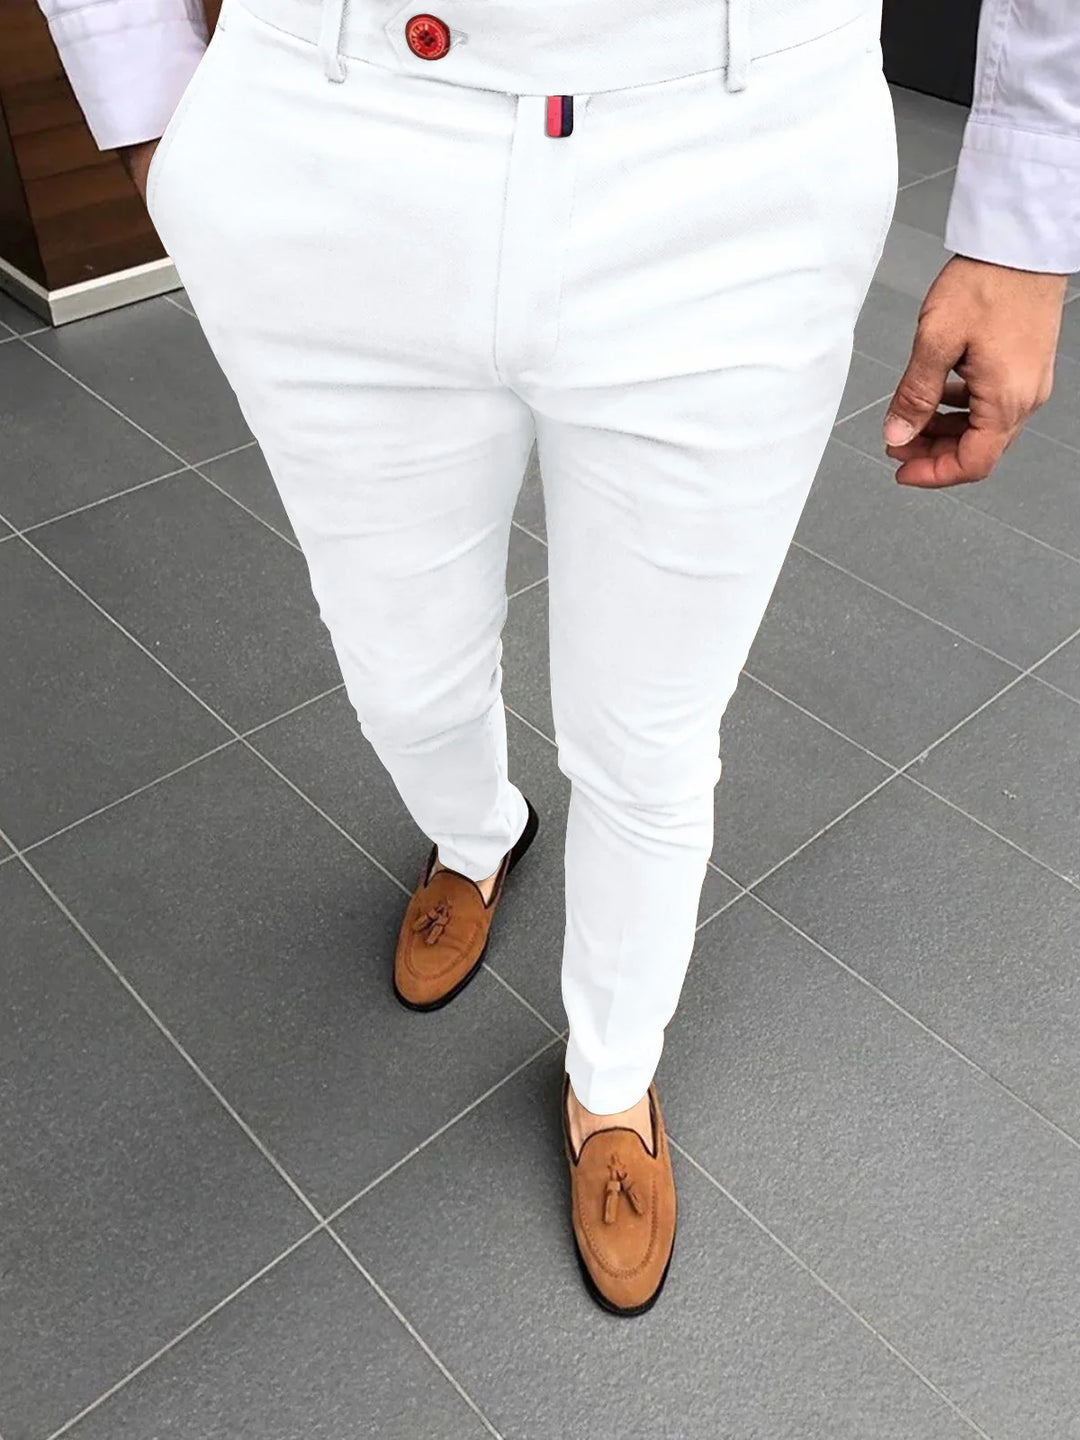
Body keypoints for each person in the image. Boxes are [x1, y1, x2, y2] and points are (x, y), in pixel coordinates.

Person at [38, 0, 1076, 1315]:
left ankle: (610, 1073)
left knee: (650, 730)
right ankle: (477, 836)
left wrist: (1033, 199)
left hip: (734, 147)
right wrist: (142, 86)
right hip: (331, 120)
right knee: (395, 660)